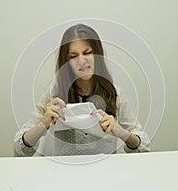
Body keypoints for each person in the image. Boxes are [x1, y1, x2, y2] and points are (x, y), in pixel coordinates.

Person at [14, 24, 150, 157]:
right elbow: (20, 149)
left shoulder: (115, 93)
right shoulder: (54, 93)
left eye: (87, 53)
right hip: (61, 173)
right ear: (66, 61)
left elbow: (143, 147)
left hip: (105, 173)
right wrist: (42, 125)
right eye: (73, 56)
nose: (81, 61)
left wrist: (122, 133)